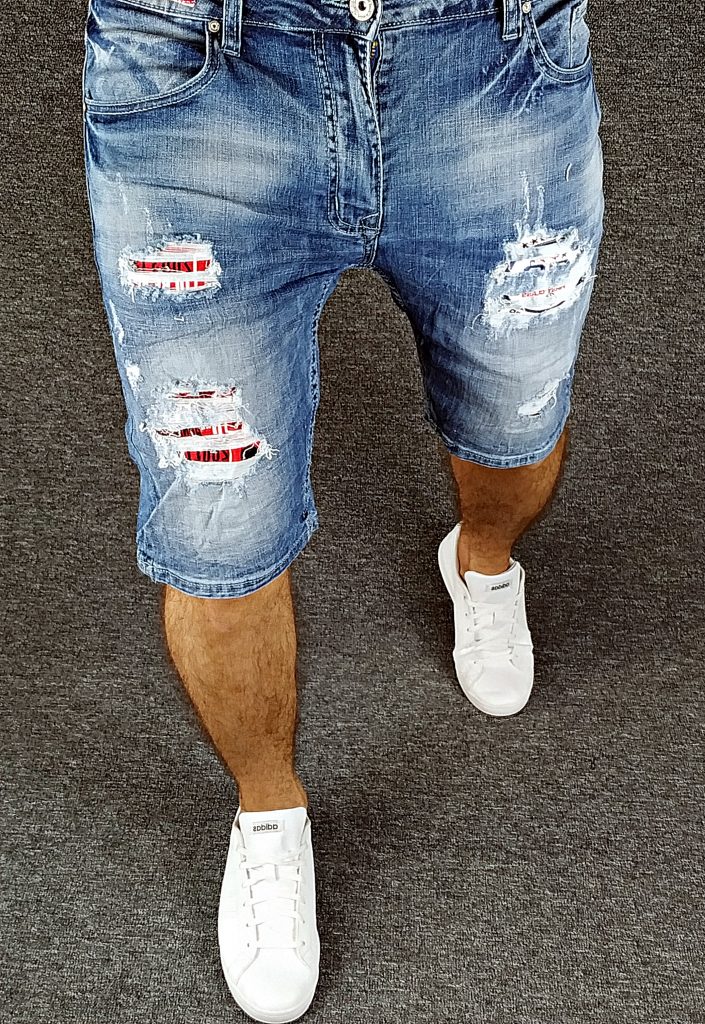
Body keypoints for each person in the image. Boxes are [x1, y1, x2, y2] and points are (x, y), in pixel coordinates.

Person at [81, 0, 604, 1018]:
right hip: (198, 74)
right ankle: (268, 810)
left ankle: (484, 558)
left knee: (517, 425)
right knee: (218, 534)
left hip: (492, 54)